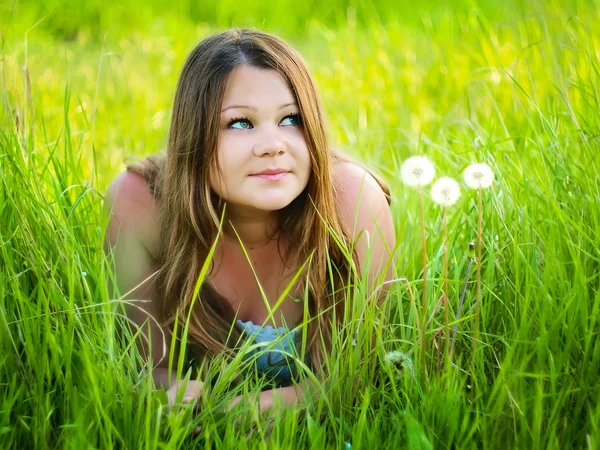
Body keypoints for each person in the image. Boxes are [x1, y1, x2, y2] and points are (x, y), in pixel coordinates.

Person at [103, 28, 396, 417]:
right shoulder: (140, 202)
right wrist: (174, 394)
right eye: (240, 123)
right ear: (194, 133)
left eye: (291, 119)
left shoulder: (352, 201)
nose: (273, 145)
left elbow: (366, 373)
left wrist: (247, 410)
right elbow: (145, 367)